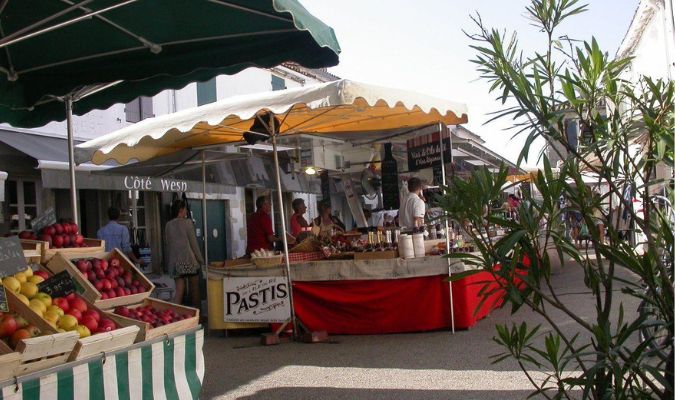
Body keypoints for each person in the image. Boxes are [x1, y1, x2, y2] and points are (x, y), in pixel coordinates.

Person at [165, 200, 204, 307]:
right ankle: (198, 317)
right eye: (185, 209)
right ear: (181, 210)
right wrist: (200, 259)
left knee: (179, 291)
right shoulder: (187, 223)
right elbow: (193, 243)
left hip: (175, 262)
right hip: (188, 260)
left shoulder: (168, 225)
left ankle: (176, 315)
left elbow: (168, 244)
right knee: (194, 289)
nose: (186, 211)